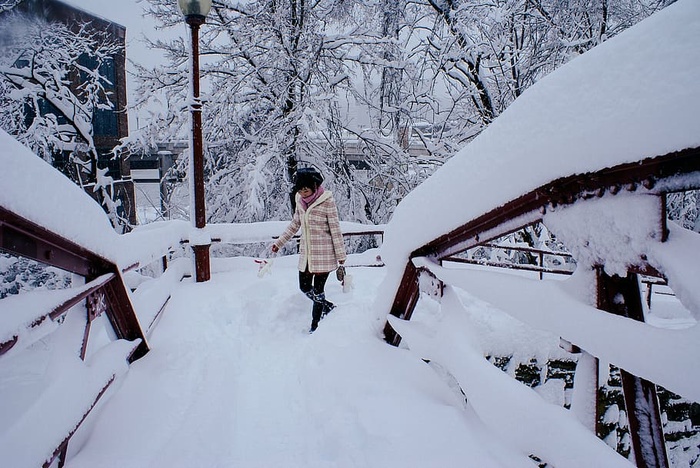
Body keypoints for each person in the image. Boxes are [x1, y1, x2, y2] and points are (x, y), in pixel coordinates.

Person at [271, 167, 347, 333]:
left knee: (318, 292)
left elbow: (335, 228)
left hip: (324, 255)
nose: (303, 192)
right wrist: (280, 242)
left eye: (306, 189)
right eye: (300, 189)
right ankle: (328, 307)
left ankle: (315, 325)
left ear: (314, 186)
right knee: (304, 287)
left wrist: (341, 256)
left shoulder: (327, 201)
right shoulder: (300, 201)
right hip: (306, 255)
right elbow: (295, 224)